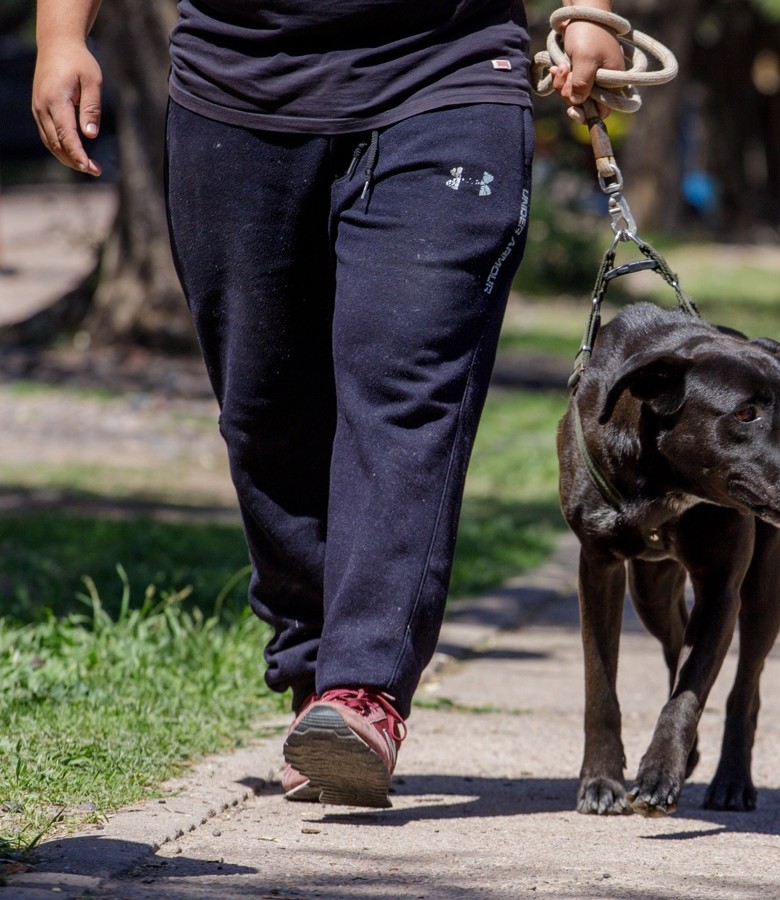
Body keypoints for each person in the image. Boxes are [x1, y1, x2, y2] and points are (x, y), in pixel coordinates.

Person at [32, 0, 622, 807]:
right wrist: (62, 35)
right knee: (264, 407)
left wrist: (592, 15)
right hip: (236, 88)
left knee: (409, 385)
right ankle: (314, 672)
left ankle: (362, 689)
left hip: (448, 73)